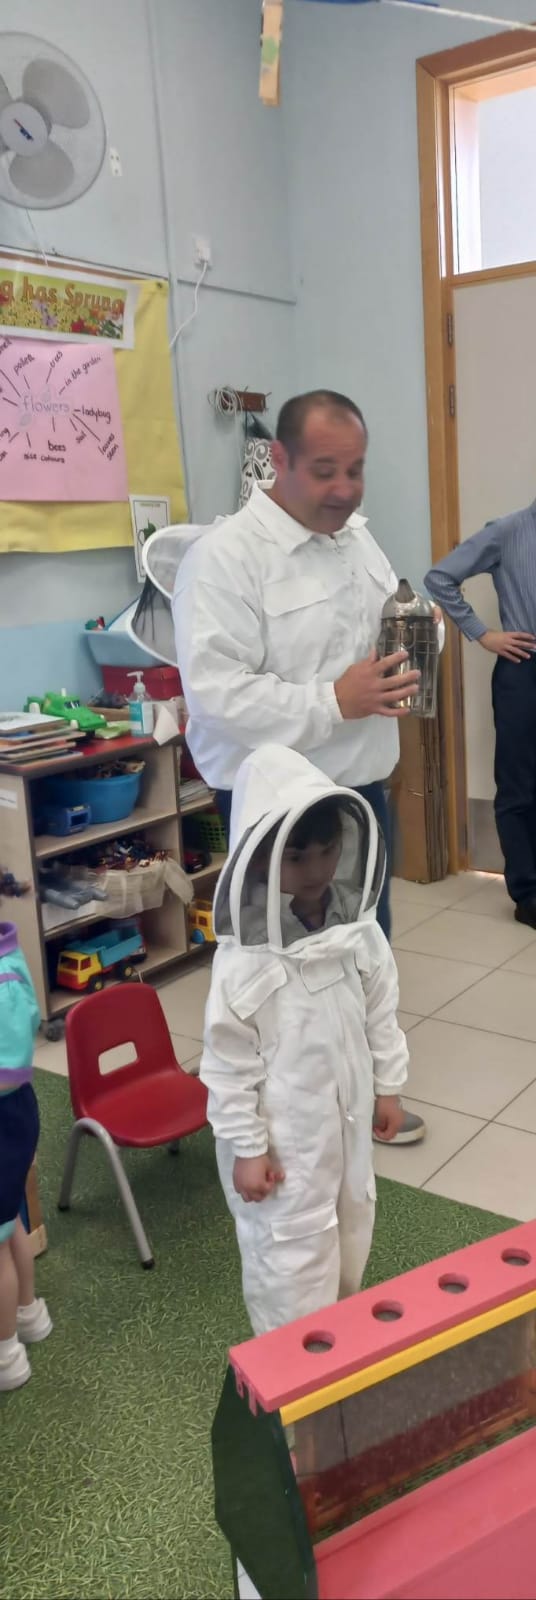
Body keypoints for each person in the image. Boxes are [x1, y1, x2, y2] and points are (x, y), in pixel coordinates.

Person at [167, 390, 444, 1146]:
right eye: (325, 470)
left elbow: (377, 636)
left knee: (361, 950)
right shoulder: (224, 559)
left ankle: (369, 1095)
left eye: (355, 469)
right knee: (278, 969)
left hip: (359, 793)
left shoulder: (356, 541)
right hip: (275, 811)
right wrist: (332, 701)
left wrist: (417, 639)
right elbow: (218, 696)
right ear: (279, 460)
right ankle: (276, 1122)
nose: (344, 489)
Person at [200, 743, 409, 1335]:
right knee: (289, 1262)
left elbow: (381, 1012)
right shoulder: (245, 962)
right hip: (283, 1150)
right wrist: (248, 1148)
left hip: (346, 1130)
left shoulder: (357, 934)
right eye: (296, 857)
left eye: (327, 851)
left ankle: (337, 1352)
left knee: (350, 1230)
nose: (317, 869)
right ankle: (289, 1373)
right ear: (258, 861)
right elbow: (227, 1066)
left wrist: (389, 1086)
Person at [425, 507, 536, 926]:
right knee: (519, 786)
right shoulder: (508, 531)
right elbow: (440, 578)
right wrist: (483, 634)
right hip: (524, 669)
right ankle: (528, 894)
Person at [0, 918, 52, 1391]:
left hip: (3, 1116)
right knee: (9, 1222)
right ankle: (29, 1313)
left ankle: (6, 1355)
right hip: (18, 1112)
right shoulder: (11, 953)